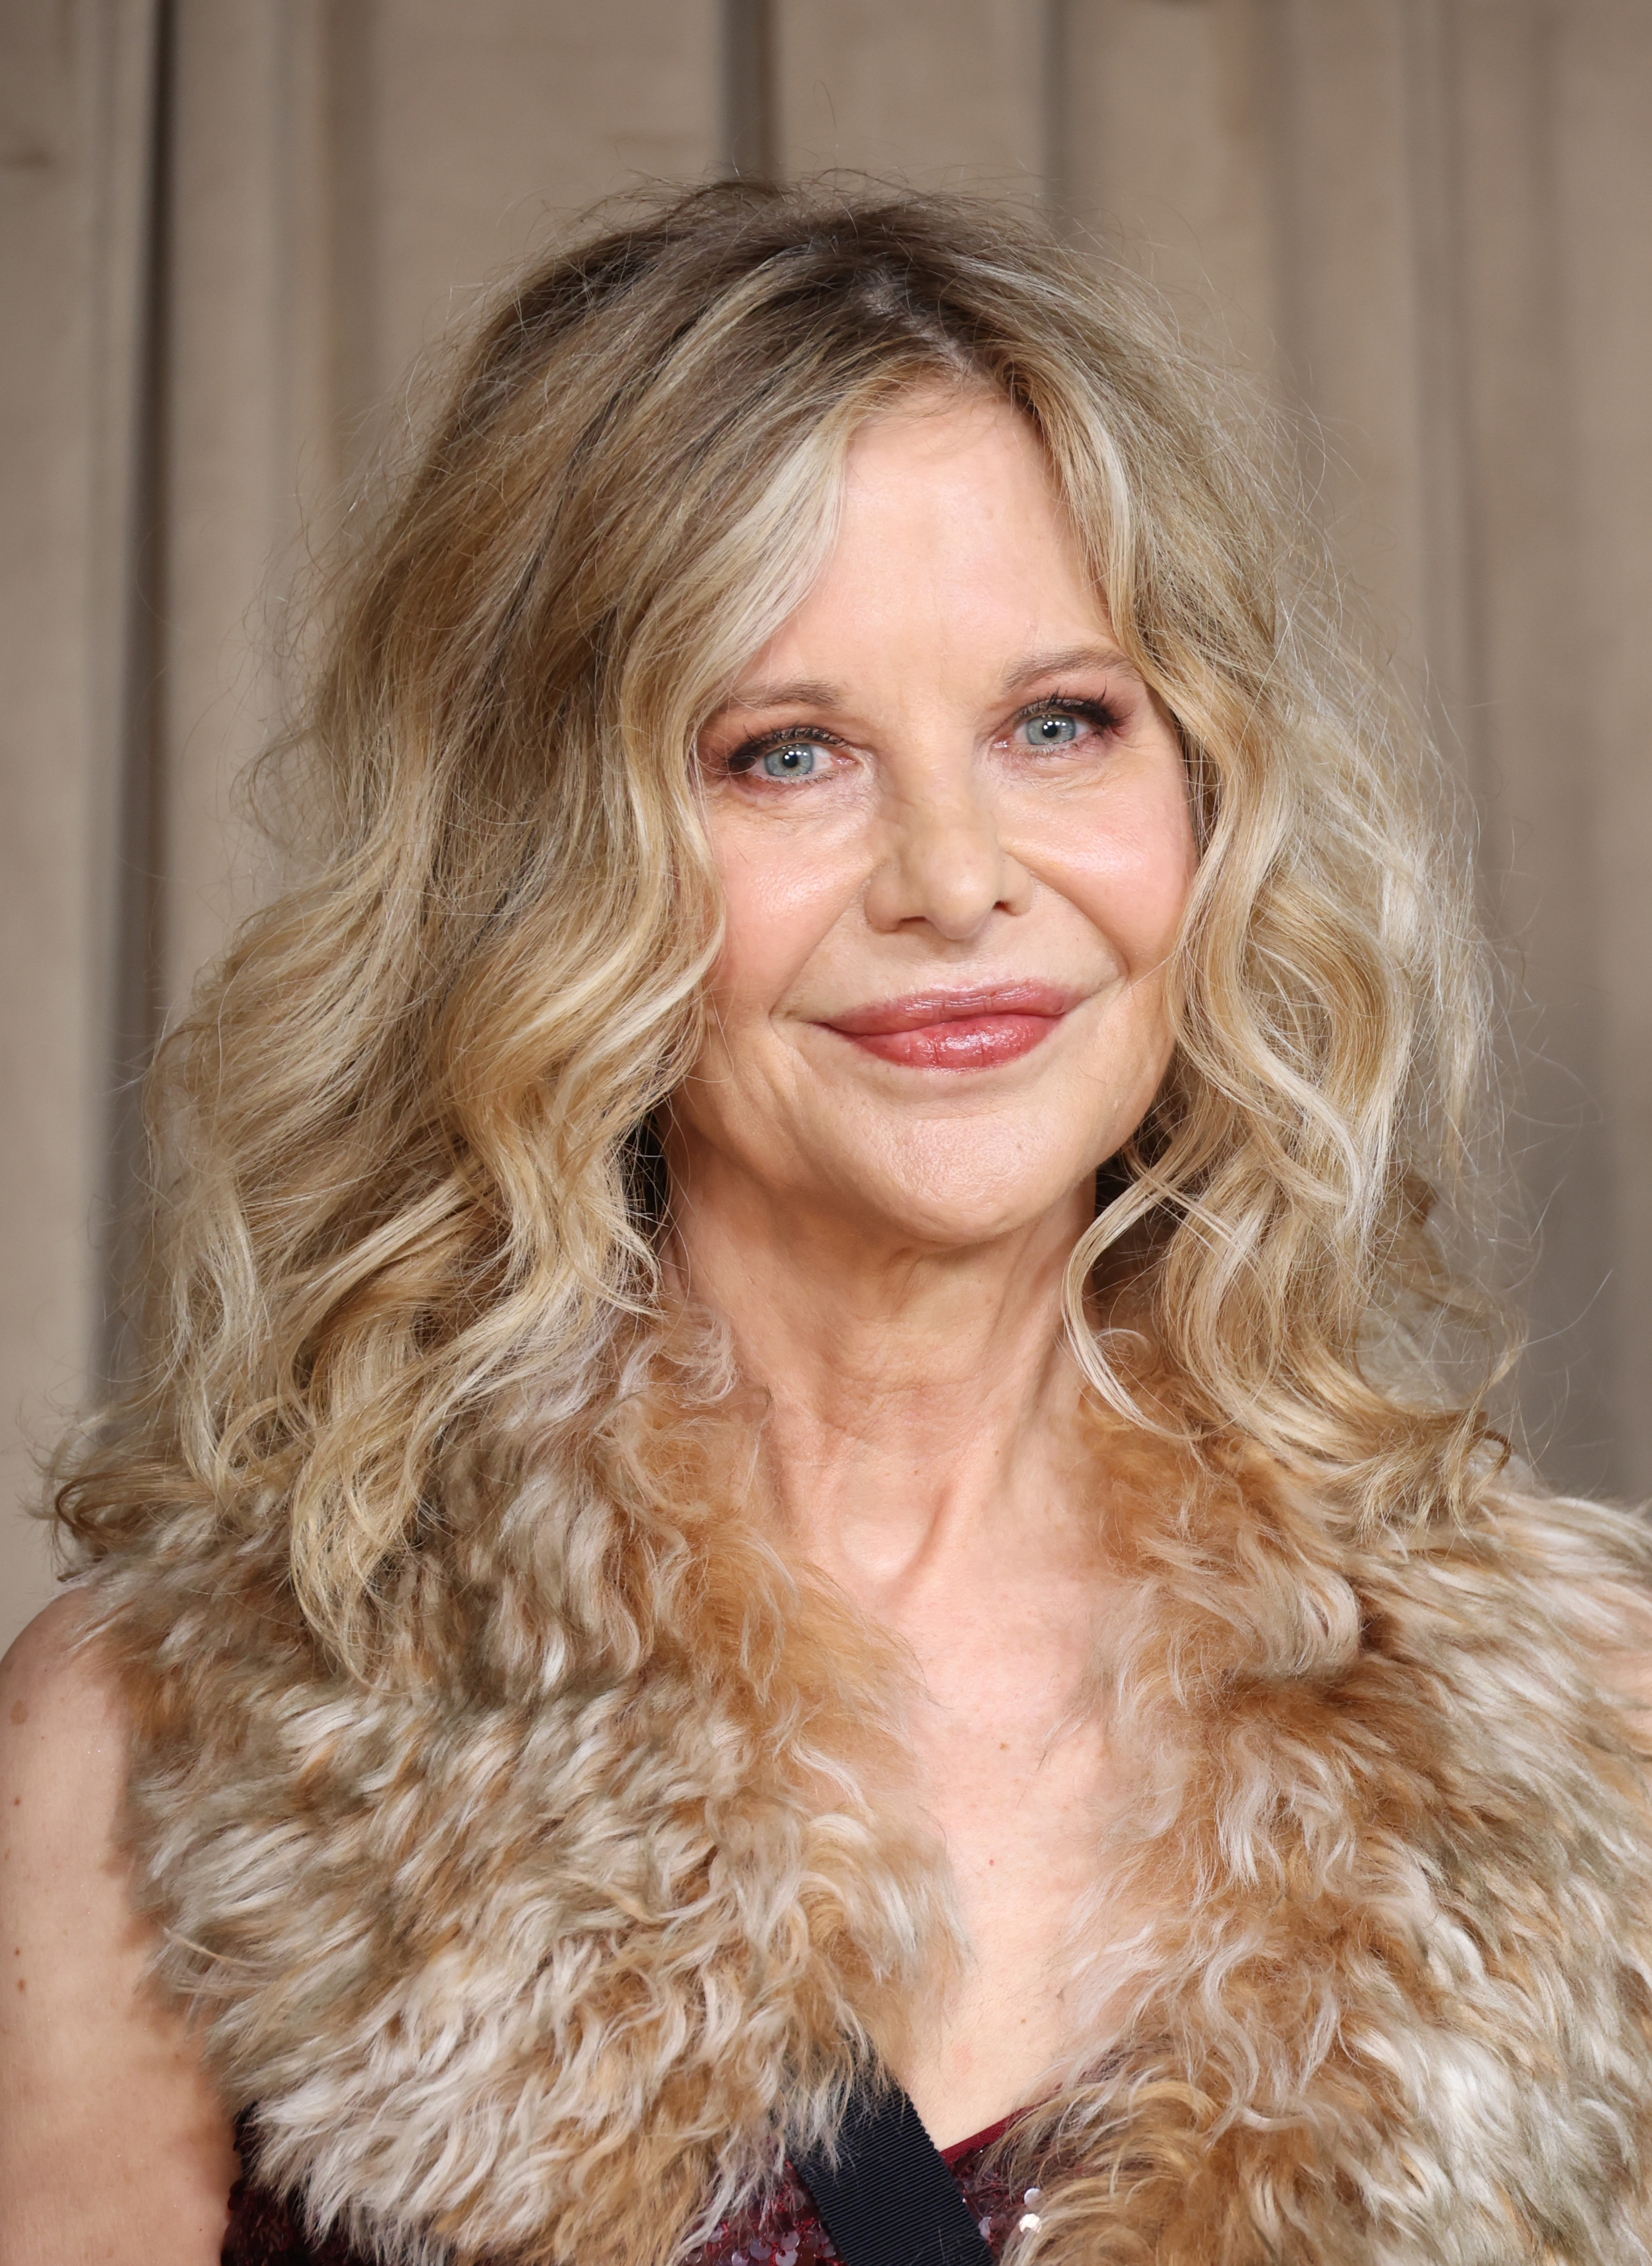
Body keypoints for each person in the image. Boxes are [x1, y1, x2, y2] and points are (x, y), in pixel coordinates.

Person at [3, 179, 1651, 2266]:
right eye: (788, 754)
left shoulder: (1581, 1736)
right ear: (545, 869)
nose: (956, 877)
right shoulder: (172, 1739)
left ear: (1207, 805)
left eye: (1062, 723)